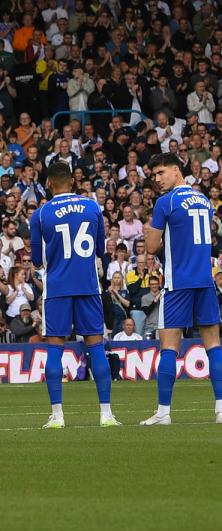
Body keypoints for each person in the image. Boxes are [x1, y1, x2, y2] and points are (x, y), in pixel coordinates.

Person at [140, 152, 222, 426]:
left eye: (161, 173)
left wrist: (153, 233)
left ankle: (164, 413)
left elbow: (153, 247)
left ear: (176, 171)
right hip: (204, 281)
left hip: (178, 282)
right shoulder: (203, 200)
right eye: (154, 176)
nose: (157, 180)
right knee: (213, 345)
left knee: (169, 347)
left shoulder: (165, 202)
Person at [29, 162, 119, 429]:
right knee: (96, 348)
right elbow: (101, 250)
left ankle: (57, 416)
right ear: (72, 181)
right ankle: (106, 414)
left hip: (57, 289)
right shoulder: (92, 207)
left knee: (54, 349)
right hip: (88, 287)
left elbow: (35, 260)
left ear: (49, 184)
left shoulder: (42, 214)